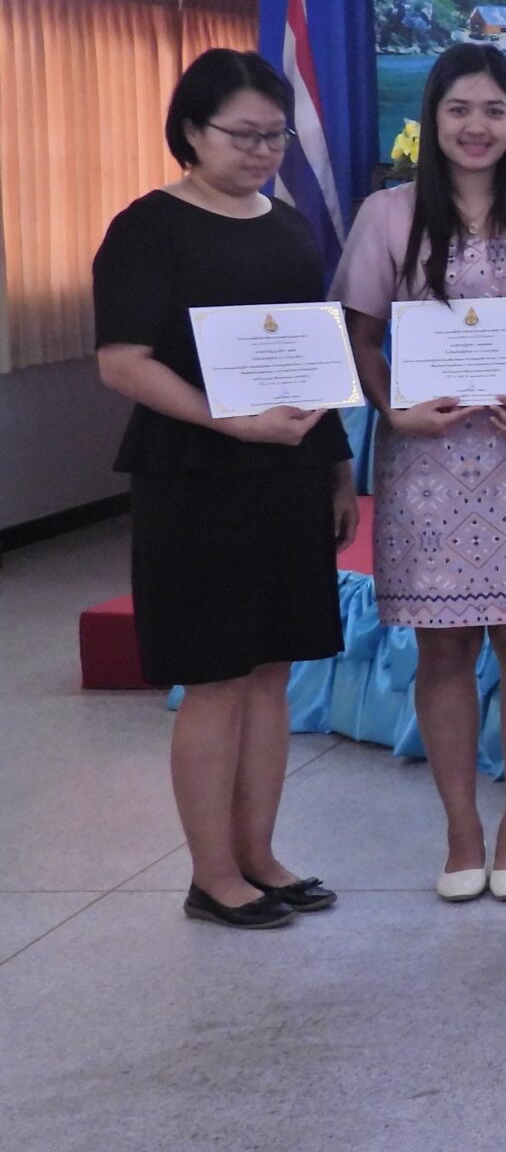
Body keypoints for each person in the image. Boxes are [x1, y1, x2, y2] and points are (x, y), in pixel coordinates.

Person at [92, 49, 359, 929]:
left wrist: (337, 467)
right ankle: (212, 874)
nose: (261, 151)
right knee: (215, 676)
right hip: (196, 478)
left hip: (288, 474)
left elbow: (313, 356)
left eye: (273, 135)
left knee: (273, 671)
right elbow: (122, 361)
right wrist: (228, 419)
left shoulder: (288, 225)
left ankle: (260, 854)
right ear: (190, 131)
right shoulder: (149, 227)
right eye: (242, 134)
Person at [335, 43, 506, 903]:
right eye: (458, 109)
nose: (476, 126)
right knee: (442, 648)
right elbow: (359, 337)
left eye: (493, 110)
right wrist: (392, 409)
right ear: (432, 118)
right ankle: (461, 831)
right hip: (427, 461)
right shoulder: (387, 214)